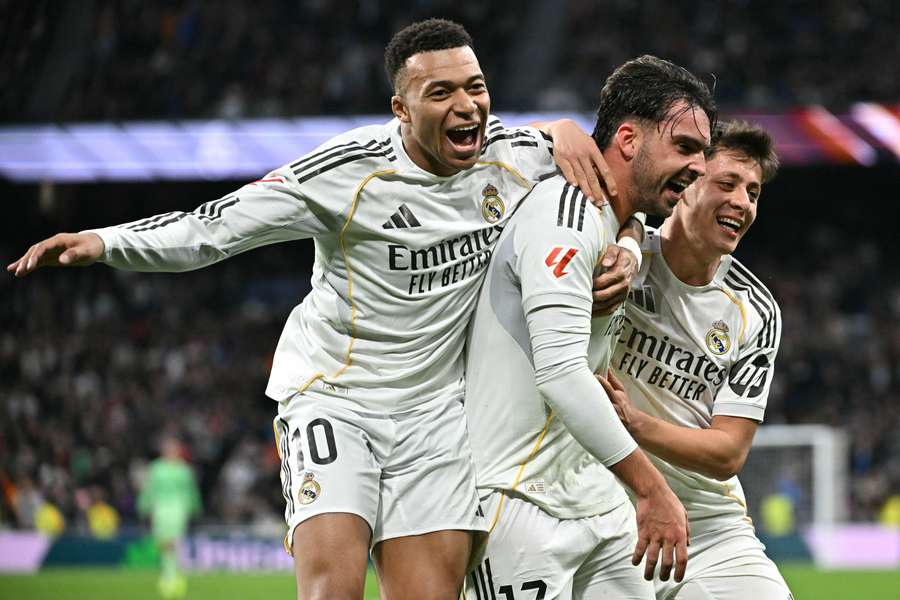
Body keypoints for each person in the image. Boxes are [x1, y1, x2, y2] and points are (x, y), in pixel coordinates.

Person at [7, 18, 635, 600]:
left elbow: (624, 197)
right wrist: (107, 242)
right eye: (440, 92)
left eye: (475, 87)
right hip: (338, 398)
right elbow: (216, 228)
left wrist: (626, 243)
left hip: (439, 416)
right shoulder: (345, 173)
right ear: (400, 109)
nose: (466, 105)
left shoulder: (520, 157)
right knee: (333, 591)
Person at [464, 55, 715, 600]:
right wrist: (653, 490)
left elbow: (628, 211)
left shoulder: (613, 219)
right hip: (519, 500)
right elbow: (559, 373)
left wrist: (629, 238)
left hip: (594, 495)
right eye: (686, 148)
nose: (700, 166)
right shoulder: (564, 215)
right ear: (628, 138)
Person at [602, 121, 793, 599]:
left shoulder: (755, 309)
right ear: (685, 183)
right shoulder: (619, 252)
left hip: (707, 526)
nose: (742, 203)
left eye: (753, 192)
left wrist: (634, 422)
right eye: (726, 183)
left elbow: (728, 453)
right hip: (600, 511)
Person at [138, 437, 202, 600]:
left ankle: (170, 575)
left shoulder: (164, 469)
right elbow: (150, 490)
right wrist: (195, 507)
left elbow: (149, 490)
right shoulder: (175, 469)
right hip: (168, 509)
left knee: (169, 542)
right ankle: (171, 573)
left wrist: (143, 506)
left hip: (171, 510)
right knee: (166, 543)